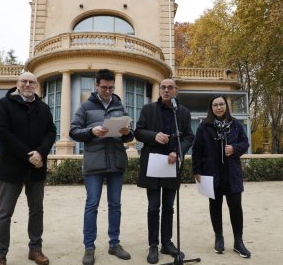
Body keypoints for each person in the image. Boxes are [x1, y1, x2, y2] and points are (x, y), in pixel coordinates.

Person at [69, 69, 134, 265]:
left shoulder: (120, 106)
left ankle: (114, 244)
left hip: (116, 161)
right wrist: (91, 131)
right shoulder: (85, 106)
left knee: (115, 205)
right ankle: (89, 247)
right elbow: (73, 131)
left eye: (110, 87)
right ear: (96, 85)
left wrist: (126, 132)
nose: (107, 91)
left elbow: (130, 136)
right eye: (104, 87)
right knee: (92, 205)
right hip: (94, 162)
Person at [0, 72, 56, 265]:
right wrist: (30, 155)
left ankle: (35, 249)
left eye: (31, 82)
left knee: (36, 211)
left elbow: (51, 132)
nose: (28, 84)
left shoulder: (43, 107)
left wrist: (41, 153)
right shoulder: (5, 104)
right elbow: (2, 133)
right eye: (24, 81)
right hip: (11, 169)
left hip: (37, 168)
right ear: (17, 84)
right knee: (4, 213)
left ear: (36, 85)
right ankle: (0, 254)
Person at [134, 78, 194, 264]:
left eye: (170, 88)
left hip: (171, 164)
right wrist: (154, 136)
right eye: (163, 87)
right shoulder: (148, 109)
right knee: (154, 206)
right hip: (152, 163)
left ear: (176, 91)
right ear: (159, 90)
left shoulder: (182, 112)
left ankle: (166, 242)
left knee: (169, 207)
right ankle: (153, 244)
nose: (166, 90)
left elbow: (188, 136)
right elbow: (138, 131)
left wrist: (178, 150)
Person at [191, 95, 251, 258]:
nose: (219, 107)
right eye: (215, 105)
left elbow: (245, 143)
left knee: (236, 208)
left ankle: (238, 242)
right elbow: (196, 150)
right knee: (215, 207)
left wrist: (235, 148)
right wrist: (196, 171)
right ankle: (219, 237)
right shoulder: (204, 126)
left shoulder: (236, 124)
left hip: (232, 174)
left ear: (226, 106)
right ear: (211, 108)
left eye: (221, 104)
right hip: (211, 173)